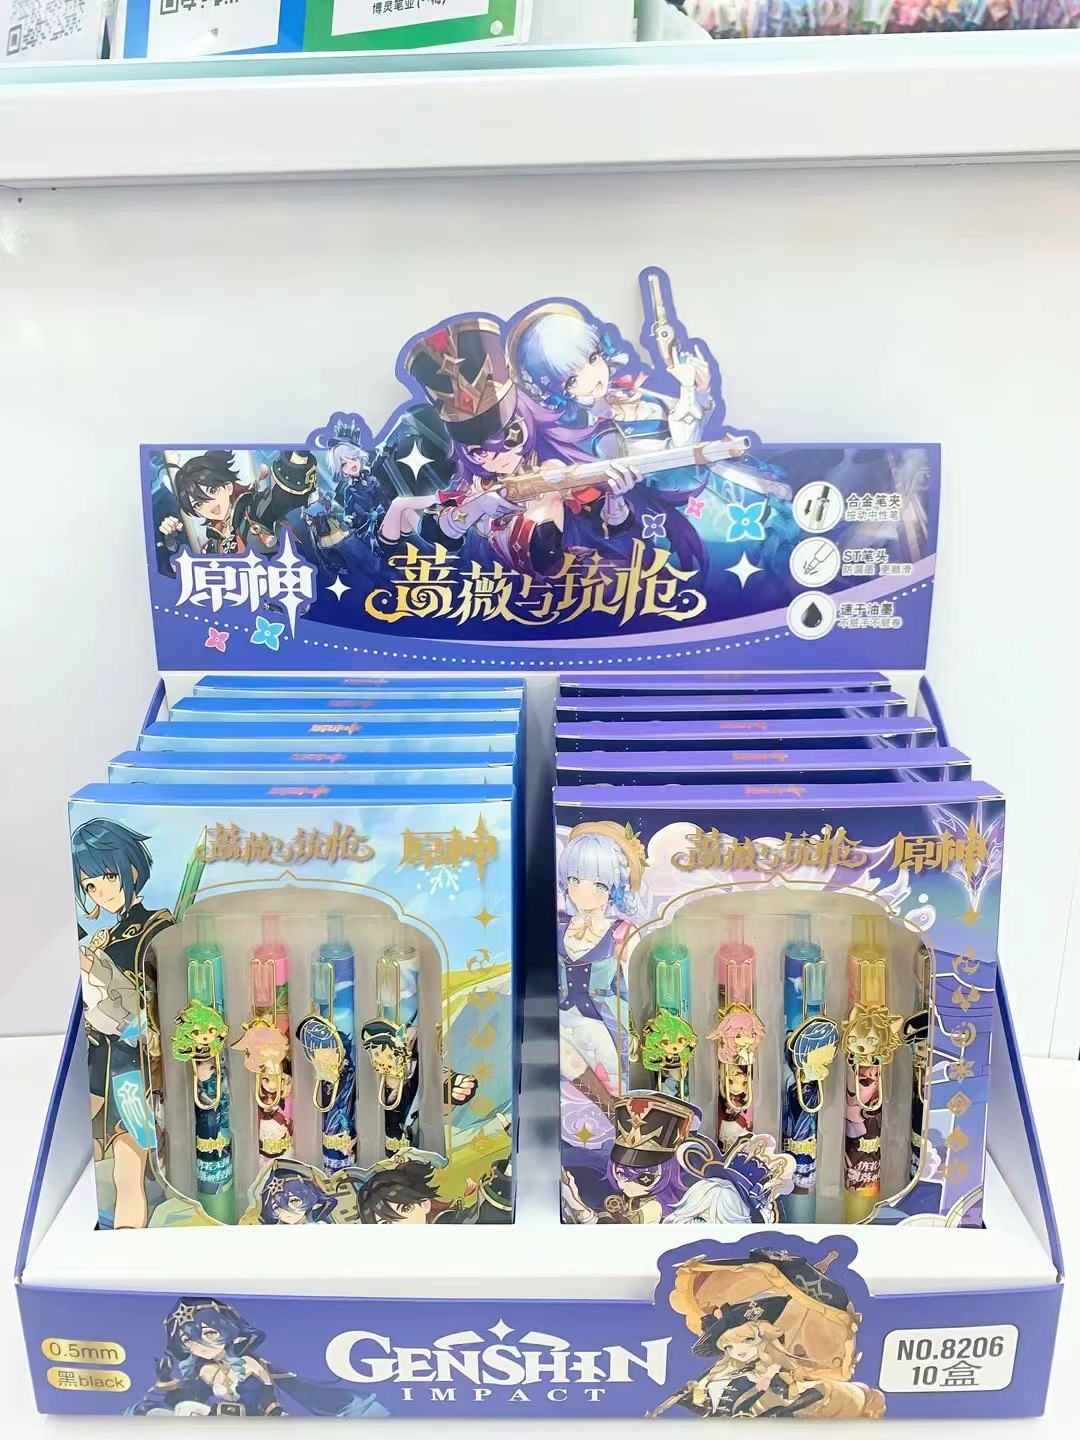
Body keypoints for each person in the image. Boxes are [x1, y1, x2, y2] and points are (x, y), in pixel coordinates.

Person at [73, 818, 173, 1230]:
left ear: (131, 869)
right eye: (91, 886)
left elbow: (150, 1004)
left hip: (139, 1070)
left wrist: (98, 970)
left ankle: (131, 1245)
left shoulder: (158, 928)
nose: (101, 892)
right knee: (115, 1170)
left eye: (108, 877)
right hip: (104, 1065)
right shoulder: (105, 938)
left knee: (127, 1171)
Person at [130, 1297, 387, 1416]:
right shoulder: (202, 1370)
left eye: (208, 1333)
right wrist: (165, 1380)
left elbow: (266, 1402)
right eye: (188, 1340)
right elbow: (182, 1397)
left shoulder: (249, 1365)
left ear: (228, 1329)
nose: (199, 1346)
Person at [159, 449, 316, 557]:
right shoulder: (213, 545)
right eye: (198, 505)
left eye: (213, 491)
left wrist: (299, 457)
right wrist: (172, 540)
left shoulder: (255, 508)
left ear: (227, 487)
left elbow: (281, 497)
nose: (211, 506)